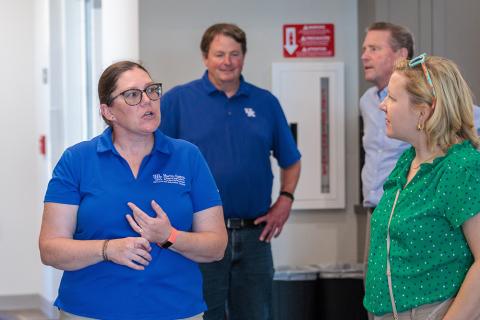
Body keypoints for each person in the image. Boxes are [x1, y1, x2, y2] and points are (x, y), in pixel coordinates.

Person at [39, 61, 227, 320]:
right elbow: (50, 249)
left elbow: (216, 246)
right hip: (90, 311)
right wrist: (107, 249)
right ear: (108, 111)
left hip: (175, 311)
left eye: (152, 91)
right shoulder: (77, 160)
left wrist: (169, 236)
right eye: (132, 95)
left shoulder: (188, 157)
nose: (147, 101)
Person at [160, 23, 301, 320]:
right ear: (205, 57)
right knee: (199, 315)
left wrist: (285, 199)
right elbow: (154, 159)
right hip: (198, 235)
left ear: (244, 57)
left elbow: (291, 159)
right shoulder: (177, 101)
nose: (227, 61)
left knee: (256, 314)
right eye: (219, 54)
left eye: (234, 54)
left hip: (254, 237)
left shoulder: (265, 103)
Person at [364, 54, 480, 319]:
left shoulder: (461, 167)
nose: (383, 105)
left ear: (424, 110)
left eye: (392, 98)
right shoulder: (408, 161)